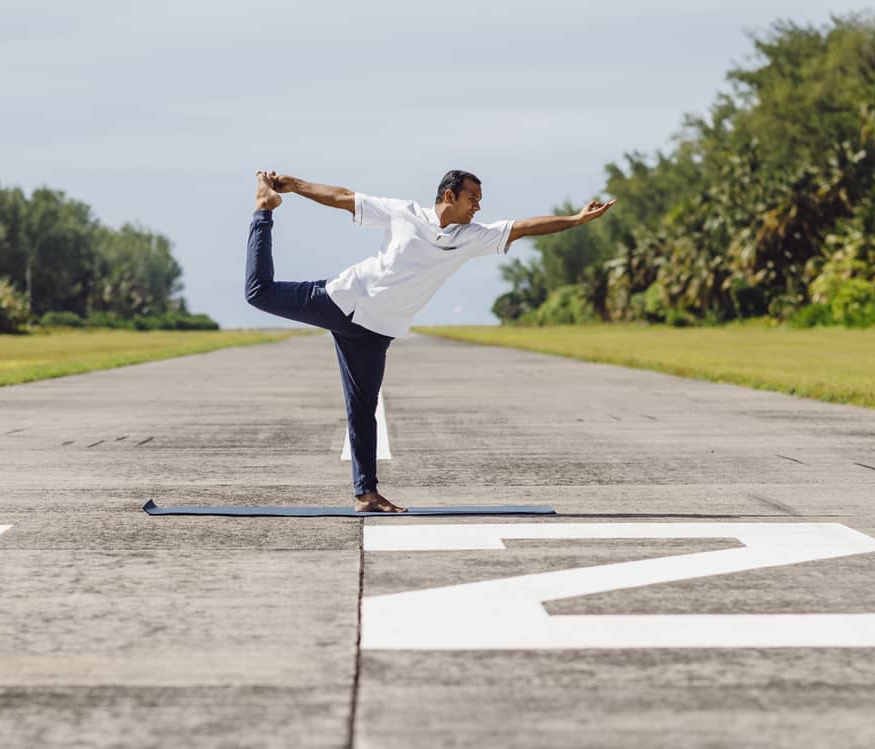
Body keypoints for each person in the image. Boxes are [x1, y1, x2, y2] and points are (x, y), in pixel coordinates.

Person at [245, 169, 614, 512]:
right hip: (342, 300)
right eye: (474, 198)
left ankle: (366, 494)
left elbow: (523, 227)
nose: (479, 206)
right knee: (258, 293)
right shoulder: (403, 214)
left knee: (363, 410)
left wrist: (576, 220)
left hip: (376, 331)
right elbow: (344, 197)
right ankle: (264, 209)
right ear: (450, 195)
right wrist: (295, 186)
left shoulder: (472, 237)